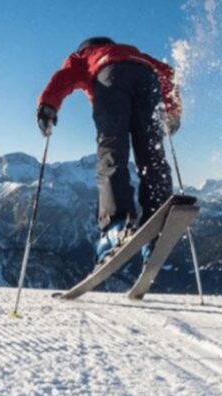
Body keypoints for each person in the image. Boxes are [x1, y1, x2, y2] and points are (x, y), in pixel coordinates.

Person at [36, 37, 181, 264]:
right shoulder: (135, 53)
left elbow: (63, 78)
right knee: (151, 151)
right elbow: (168, 74)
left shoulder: (84, 57)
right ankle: (157, 221)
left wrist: (48, 105)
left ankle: (116, 225)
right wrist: (172, 111)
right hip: (147, 78)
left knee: (112, 149)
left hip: (110, 77)